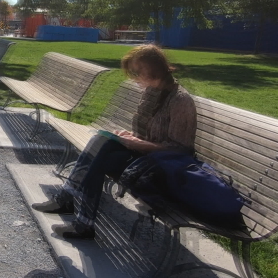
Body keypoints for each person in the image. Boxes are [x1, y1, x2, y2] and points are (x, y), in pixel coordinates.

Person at [31, 44, 197, 240]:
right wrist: (130, 136)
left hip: (162, 169)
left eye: (137, 73)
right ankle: (76, 212)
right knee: (101, 140)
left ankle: (74, 209)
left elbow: (180, 150)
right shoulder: (152, 91)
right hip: (143, 157)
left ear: (153, 71)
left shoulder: (180, 101)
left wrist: (138, 144)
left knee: (100, 159)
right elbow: (145, 132)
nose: (134, 79)